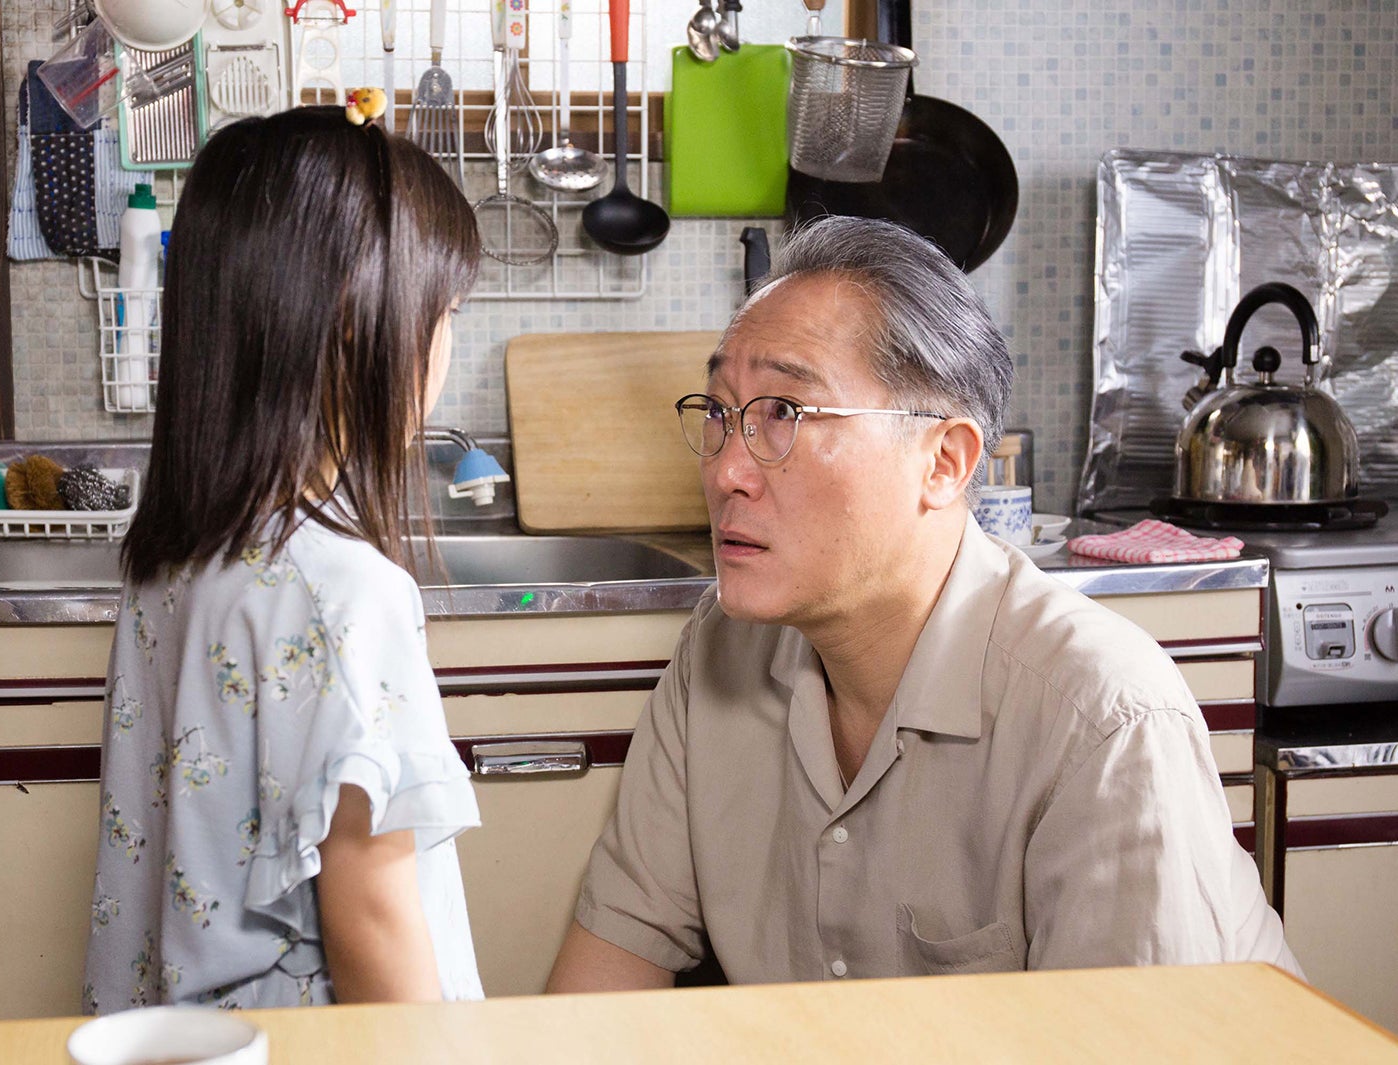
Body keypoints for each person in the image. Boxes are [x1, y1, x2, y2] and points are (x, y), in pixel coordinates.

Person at [545, 217, 1299, 991]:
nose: (727, 470)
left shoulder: (1103, 718)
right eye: (719, 411)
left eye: (785, 413)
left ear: (943, 462)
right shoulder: (721, 646)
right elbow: (603, 988)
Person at [84, 104, 484, 1012]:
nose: (448, 341)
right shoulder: (347, 591)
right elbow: (374, 921)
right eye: (447, 308)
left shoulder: (176, 560)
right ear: (353, 314)